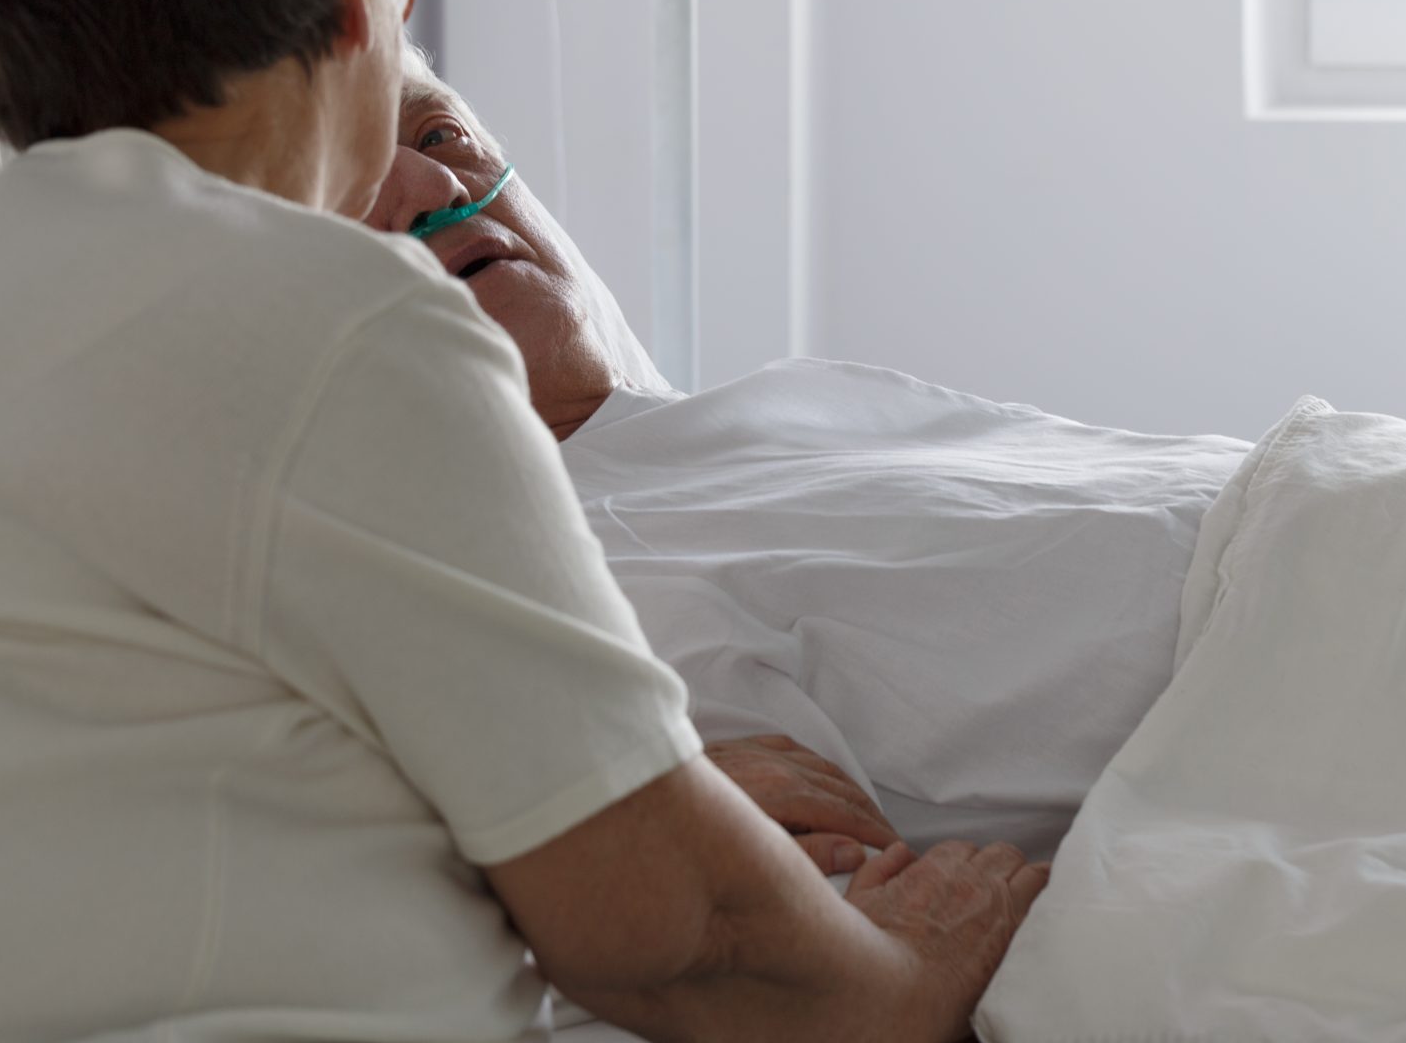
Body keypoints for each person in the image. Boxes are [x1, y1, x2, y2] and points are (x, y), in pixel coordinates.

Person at [0, 0, 1043, 1043]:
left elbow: (146, 766)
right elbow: (680, 930)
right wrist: (926, 958)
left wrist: (580, 802)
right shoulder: (341, 323)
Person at [367, 50, 1248, 858]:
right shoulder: (569, 597)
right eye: (352, 186)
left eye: (440, 132)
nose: (436, 180)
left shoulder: (763, 424)